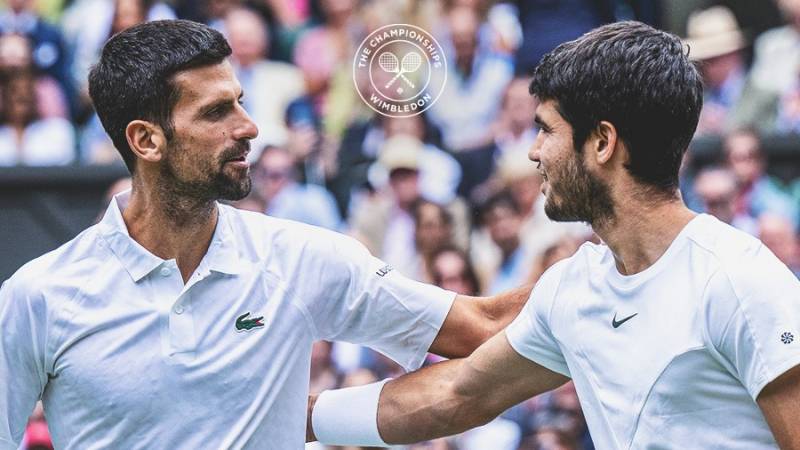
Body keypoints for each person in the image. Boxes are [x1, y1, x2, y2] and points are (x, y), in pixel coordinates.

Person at [0, 20, 531, 449]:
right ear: (146, 140)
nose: (249, 126)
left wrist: (607, 267)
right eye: (216, 112)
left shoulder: (301, 257)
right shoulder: (39, 296)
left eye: (240, 100)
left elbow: (481, 329)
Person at [308, 22, 800, 449]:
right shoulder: (573, 288)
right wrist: (298, 416)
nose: (533, 152)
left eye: (545, 130)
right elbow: (458, 395)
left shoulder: (739, 281)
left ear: (602, 142)